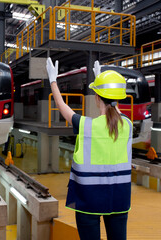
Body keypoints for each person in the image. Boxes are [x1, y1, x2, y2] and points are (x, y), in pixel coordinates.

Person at [46, 58, 132, 240]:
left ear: (97, 98)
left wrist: (53, 81)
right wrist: (101, 80)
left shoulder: (86, 126)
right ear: (120, 98)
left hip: (89, 198)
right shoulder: (129, 125)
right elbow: (114, 111)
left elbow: (63, 107)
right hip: (119, 197)